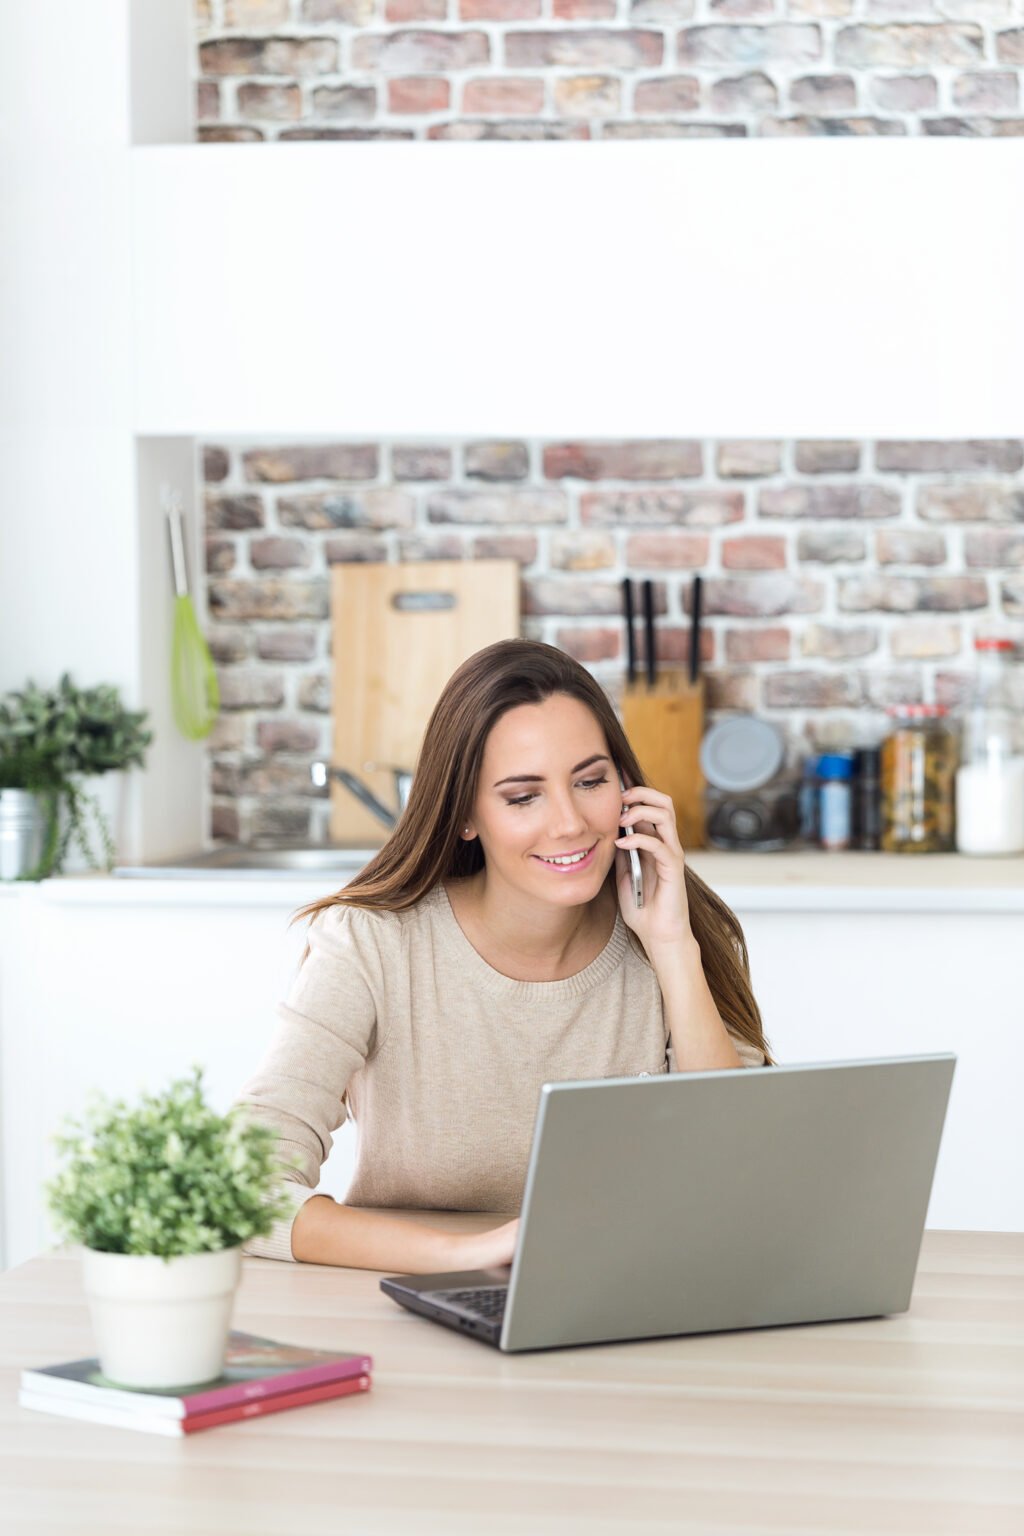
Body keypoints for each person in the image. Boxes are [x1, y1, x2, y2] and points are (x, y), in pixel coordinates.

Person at [232, 639, 773, 1273]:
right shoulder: (369, 943)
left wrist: (674, 947)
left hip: (628, 1301)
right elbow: (243, 1189)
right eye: (523, 797)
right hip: (412, 1302)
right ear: (465, 814)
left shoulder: (674, 936)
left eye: (591, 781)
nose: (570, 823)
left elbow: (736, 1180)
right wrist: (474, 1253)